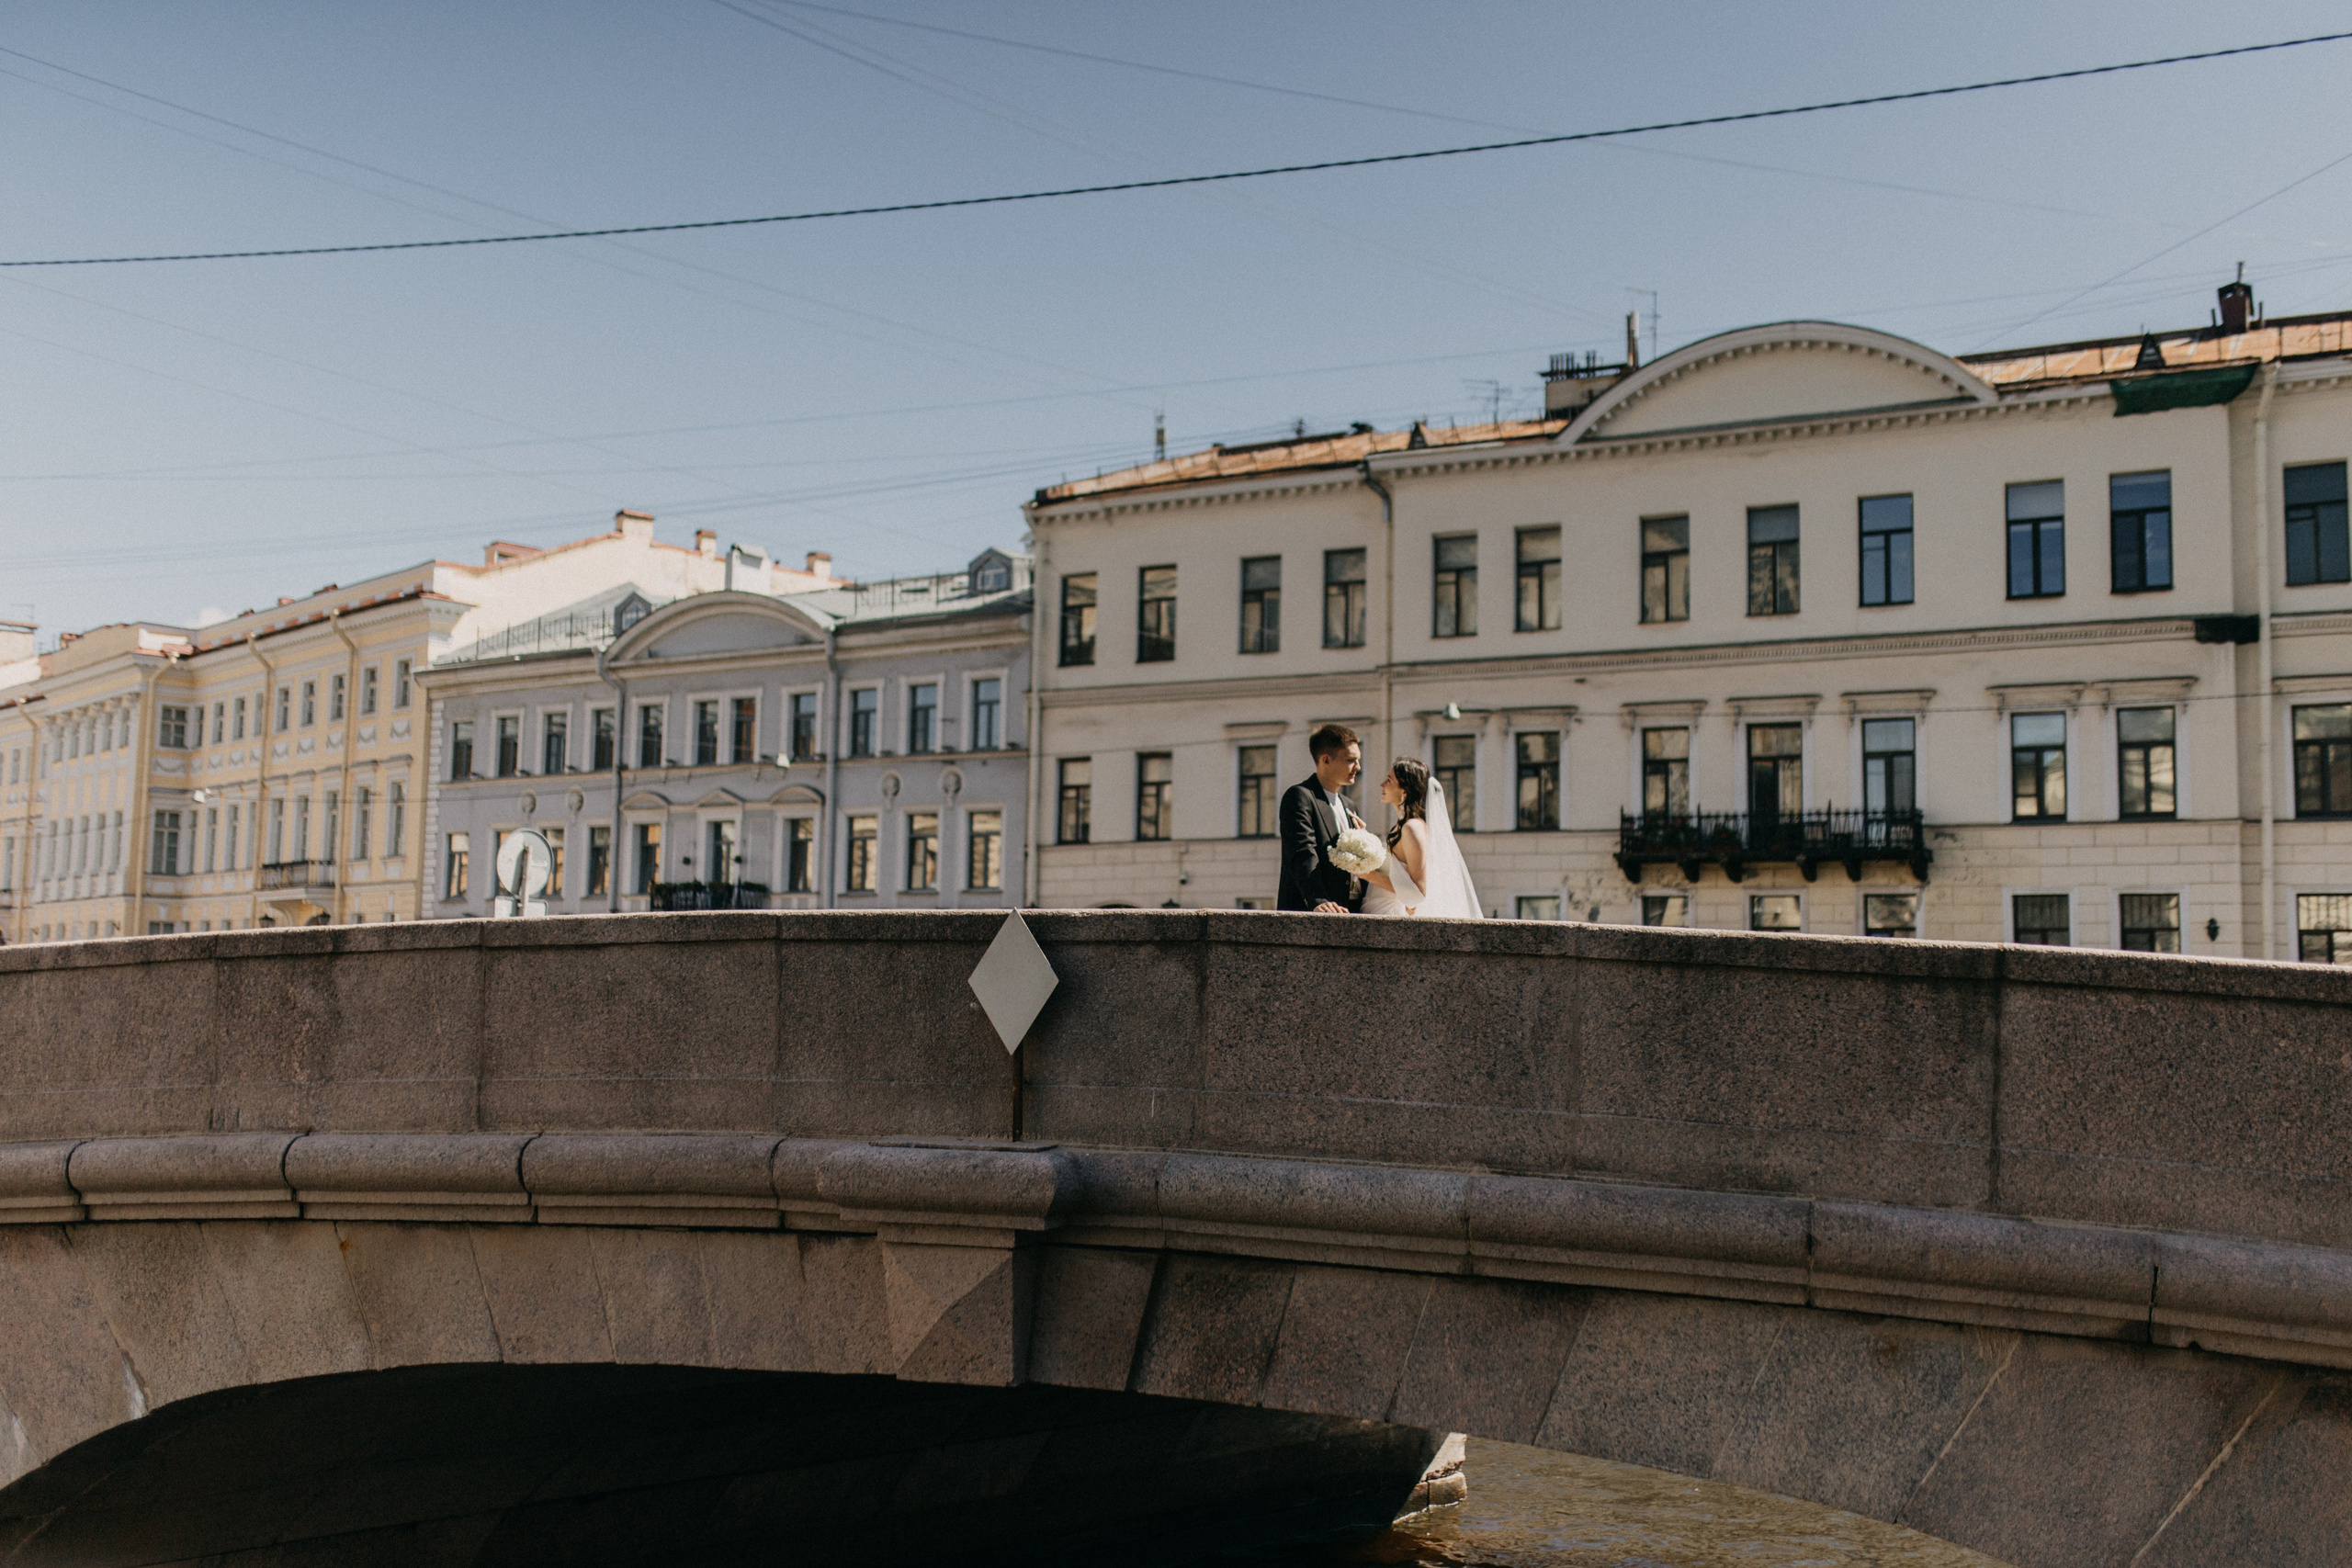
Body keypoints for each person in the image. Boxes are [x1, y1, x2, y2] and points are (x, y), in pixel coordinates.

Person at [1362, 755, 1483, 919]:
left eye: (1389, 780)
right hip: (1380, 909)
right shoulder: (1401, 826)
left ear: (1404, 790)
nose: (1382, 785)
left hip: (1392, 915)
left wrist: (1370, 876)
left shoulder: (1412, 828)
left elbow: (1418, 892)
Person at [1277, 724, 1367, 913]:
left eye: (1358, 760)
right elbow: (1303, 852)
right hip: (1313, 910)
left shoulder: (1350, 805)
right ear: (1326, 760)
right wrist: (1318, 899)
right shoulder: (1300, 796)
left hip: (1352, 909)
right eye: (1351, 760)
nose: (1358, 767)